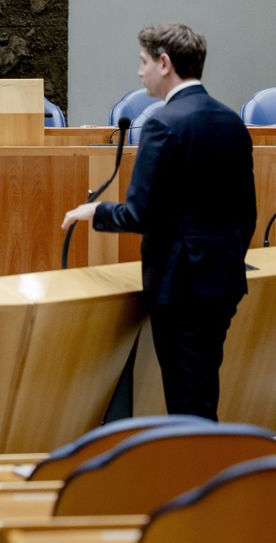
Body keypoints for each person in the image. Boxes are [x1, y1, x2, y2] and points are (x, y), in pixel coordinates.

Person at [62, 24, 256, 421]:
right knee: (203, 395)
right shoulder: (230, 121)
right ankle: (210, 474)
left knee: (186, 406)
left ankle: (199, 478)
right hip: (223, 282)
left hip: (181, 287)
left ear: (164, 63)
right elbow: (246, 212)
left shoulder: (162, 123)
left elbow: (141, 214)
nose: (139, 72)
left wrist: (95, 211)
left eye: (144, 62)